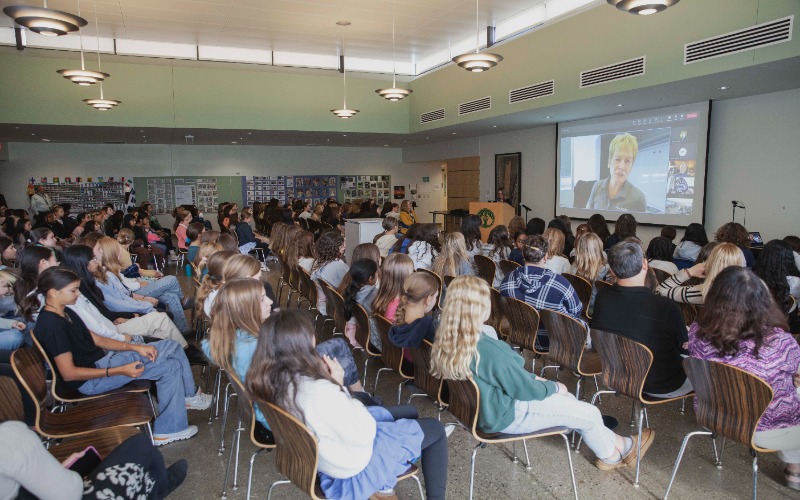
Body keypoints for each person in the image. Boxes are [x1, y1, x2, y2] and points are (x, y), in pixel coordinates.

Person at [431, 275, 652, 470]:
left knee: (572, 402)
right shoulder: (488, 349)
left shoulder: (450, 337)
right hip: (506, 414)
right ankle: (613, 455)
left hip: (481, 410)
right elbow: (524, 391)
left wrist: (536, 381)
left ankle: (616, 444)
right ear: (480, 307)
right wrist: (554, 386)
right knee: (589, 411)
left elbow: (507, 378)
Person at [246, 309, 448, 500]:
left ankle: (389, 476)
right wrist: (338, 385)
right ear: (303, 344)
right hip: (353, 467)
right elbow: (365, 434)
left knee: (409, 412)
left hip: (322, 461)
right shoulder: (318, 389)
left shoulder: (270, 384)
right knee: (436, 429)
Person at [34, 267, 210, 446]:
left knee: (171, 366)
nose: (78, 294)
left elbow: (98, 340)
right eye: (73, 290)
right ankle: (189, 396)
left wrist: (134, 347)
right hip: (92, 380)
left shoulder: (65, 311)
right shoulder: (52, 325)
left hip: (104, 362)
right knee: (171, 345)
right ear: (53, 293)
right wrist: (120, 370)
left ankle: (169, 430)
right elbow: (69, 373)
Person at [688, 266, 800, 491]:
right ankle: (795, 469)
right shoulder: (781, 343)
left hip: (715, 414)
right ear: (763, 302)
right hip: (768, 430)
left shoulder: (697, 333)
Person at [590, 241, 692, 398]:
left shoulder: (603, 297)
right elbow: (685, 345)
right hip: (661, 385)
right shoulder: (665, 306)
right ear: (645, 264)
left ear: (611, 270)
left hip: (617, 374)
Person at [0, 423, 188, 499]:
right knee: (141, 445)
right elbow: (70, 493)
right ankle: (158, 488)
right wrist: (65, 473)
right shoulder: (10, 437)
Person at [61, 245, 187, 347]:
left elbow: (116, 299)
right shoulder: (86, 286)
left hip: (120, 314)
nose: (96, 259)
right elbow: (114, 305)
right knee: (170, 281)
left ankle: (181, 341)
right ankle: (181, 347)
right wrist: (136, 310)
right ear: (83, 263)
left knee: (170, 297)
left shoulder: (91, 281)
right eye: (93, 257)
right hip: (117, 323)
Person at [499, 234, 583, 350]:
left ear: (523, 254)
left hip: (520, 334)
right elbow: (576, 310)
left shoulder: (507, 280)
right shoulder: (560, 284)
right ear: (545, 257)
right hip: (553, 341)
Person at [656, 242, 745, 305]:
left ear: (710, 263)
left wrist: (689, 272)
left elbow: (659, 291)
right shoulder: (753, 289)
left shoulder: (703, 291)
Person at [585, 133, 647, 212]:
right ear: (609, 162)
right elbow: (587, 216)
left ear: (631, 166)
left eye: (627, 161)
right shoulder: (597, 187)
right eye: (617, 159)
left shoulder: (639, 198)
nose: (621, 167)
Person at [389, 272, 440, 365]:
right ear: (428, 299)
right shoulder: (428, 326)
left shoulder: (399, 317)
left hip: (406, 363)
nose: (436, 300)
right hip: (426, 370)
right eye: (436, 297)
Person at [753, 240, 800, 332]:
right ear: (789, 258)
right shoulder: (795, 282)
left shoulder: (752, 279)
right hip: (789, 329)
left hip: (757, 327)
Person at [372, 253, 415, 348]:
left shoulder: (381, 298)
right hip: (403, 351)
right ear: (404, 278)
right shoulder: (400, 306)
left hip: (389, 348)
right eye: (412, 272)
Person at [569, 233, 609, 315]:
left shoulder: (573, 268)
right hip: (596, 310)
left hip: (576, 308)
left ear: (579, 249)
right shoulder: (606, 269)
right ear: (598, 248)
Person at [342, 259, 379, 348]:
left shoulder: (351, 290)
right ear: (371, 278)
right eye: (377, 272)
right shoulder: (373, 295)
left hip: (358, 335)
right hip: (372, 340)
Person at [311, 230, 349, 315]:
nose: (345, 247)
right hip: (337, 307)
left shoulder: (319, 262)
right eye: (342, 246)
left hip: (326, 303)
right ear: (335, 247)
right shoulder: (338, 266)